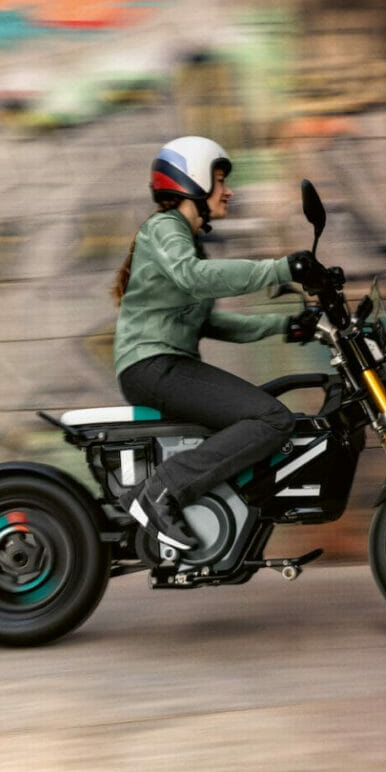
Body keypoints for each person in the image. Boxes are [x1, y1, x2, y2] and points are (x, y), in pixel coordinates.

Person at [112, 135, 339, 557]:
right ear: (192, 182)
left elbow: (212, 321)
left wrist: (287, 326)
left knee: (259, 417)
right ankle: (160, 492)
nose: (228, 191)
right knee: (272, 419)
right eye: (219, 181)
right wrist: (279, 268)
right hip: (153, 366)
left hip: (163, 366)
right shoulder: (163, 229)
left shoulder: (180, 241)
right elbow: (193, 277)